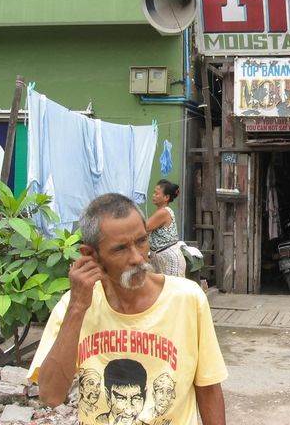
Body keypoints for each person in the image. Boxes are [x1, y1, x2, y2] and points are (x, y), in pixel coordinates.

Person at [27, 193, 227, 425]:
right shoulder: (73, 307)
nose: (136, 258)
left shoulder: (188, 299)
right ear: (90, 255)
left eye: (141, 241)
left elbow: (209, 388)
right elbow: (51, 396)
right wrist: (78, 308)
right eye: (120, 249)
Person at [146, 180, 186, 278]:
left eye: (157, 193)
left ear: (166, 197)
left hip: (169, 260)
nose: (153, 195)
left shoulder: (163, 213)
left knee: (172, 290)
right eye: (153, 193)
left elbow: (144, 228)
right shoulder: (161, 211)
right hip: (162, 259)